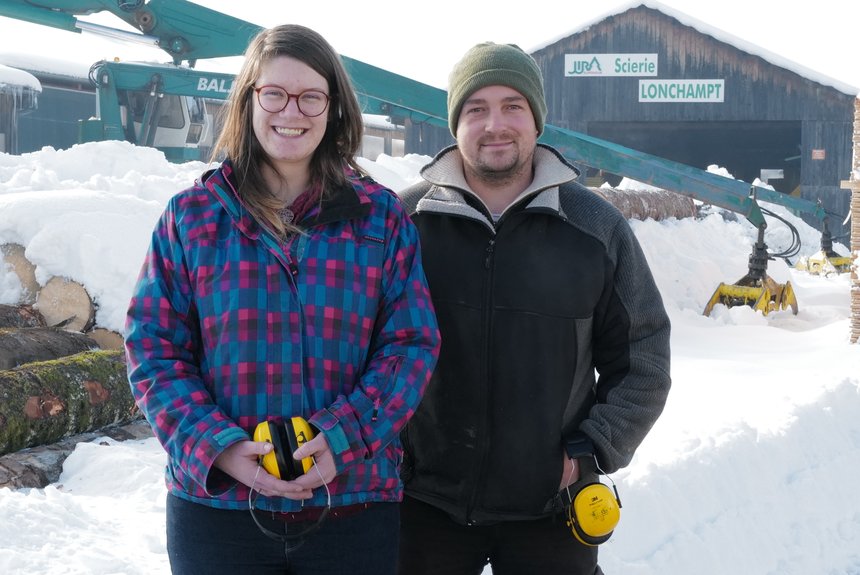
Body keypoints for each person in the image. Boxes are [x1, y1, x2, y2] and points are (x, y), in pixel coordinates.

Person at [123, 24, 440, 575]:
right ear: (248, 100)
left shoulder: (379, 217)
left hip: (353, 505)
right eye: (274, 93)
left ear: (334, 108)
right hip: (218, 511)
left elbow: (410, 345)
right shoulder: (192, 217)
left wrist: (341, 437)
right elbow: (152, 349)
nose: (290, 110)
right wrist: (216, 447)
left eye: (311, 96)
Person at [397, 42, 671, 575]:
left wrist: (589, 453)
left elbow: (644, 357)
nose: (495, 124)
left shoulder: (595, 228)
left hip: (551, 508)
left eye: (512, 106)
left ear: (536, 120)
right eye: (476, 109)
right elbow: (363, 349)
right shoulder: (406, 222)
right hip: (423, 504)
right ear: (456, 124)